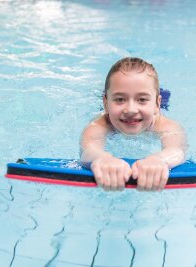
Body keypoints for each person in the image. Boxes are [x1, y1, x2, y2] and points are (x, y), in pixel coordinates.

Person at [80, 57, 187, 191]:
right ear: (106, 104)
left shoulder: (167, 126)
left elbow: (177, 150)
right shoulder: (98, 125)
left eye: (142, 99)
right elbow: (88, 150)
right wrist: (102, 158)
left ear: (157, 104)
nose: (130, 110)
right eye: (120, 99)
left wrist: (159, 159)